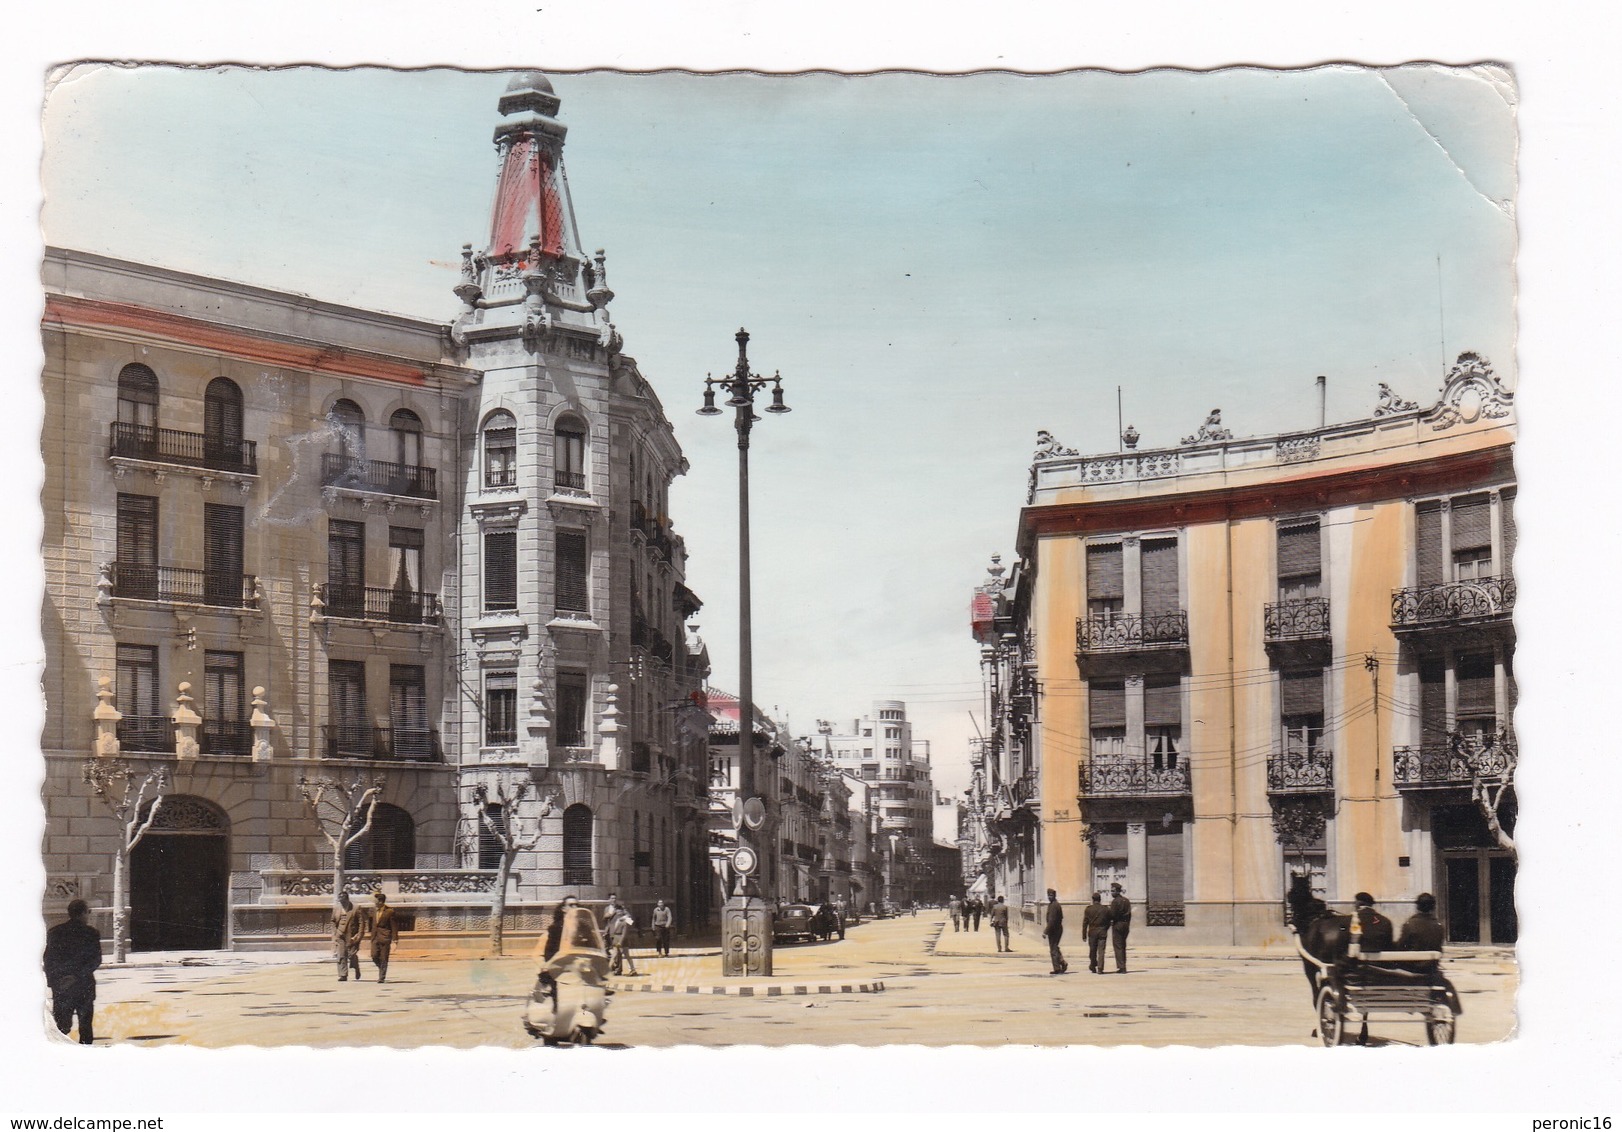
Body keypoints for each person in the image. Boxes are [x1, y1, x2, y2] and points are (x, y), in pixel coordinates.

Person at [44, 899, 101, 1045]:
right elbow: (95, 960)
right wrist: (76, 977)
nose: (88, 915)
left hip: (62, 987)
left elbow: (48, 961)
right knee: (85, 1028)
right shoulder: (91, 933)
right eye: (88, 912)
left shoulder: (54, 933)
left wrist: (55, 983)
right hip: (84, 986)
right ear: (82, 913)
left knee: (61, 1028)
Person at [333, 892, 365, 981]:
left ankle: (356, 966)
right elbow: (333, 921)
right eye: (340, 900)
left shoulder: (355, 908)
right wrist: (335, 932)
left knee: (351, 955)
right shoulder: (336, 908)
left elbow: (361, 922)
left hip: (352, 935)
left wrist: (359, 934)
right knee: (341, 954)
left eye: (343, 900)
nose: (341, 902)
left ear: (347, 899)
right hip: (340, 934)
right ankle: (343, 974)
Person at [369, 890, 399, 983]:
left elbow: (394, 926)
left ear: (381, 901)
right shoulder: (373, 910)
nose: (374, 902)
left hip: (385, 937)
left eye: (376, 901)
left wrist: (395, 939)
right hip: (375, 937)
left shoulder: (390, 911)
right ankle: (381, 967)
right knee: (374, 955)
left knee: (384, 957)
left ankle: (381, 977)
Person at [1082, 891, 1112, 973]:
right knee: (1101, 950)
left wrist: (1084, 935)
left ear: (1092, 900)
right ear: (1100, 899)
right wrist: (1105, 928)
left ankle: (1092, 965)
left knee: (1092, 950)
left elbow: (1085, 923)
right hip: (1102, 931)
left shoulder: (1088, 909)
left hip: (1092, 932)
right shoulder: (1105, 909)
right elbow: (1109, 921)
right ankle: (1100, 968)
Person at [607, 905, 639, 976]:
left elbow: (630, 924)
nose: (618, 912)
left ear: (622, 911)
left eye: (620, 910)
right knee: (614, 955)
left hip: (622, 939)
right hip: (616, 938)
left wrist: (620, 942)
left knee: (626, 955)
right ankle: (607, 970)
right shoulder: (616, 919)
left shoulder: (625, 919)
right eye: (617, 910)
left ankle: (632, 969)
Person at [1107, 882, 1132, 973]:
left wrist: (1110, 921)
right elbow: (1129, 914)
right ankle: (1123, 965)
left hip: (1118, 924)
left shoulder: (1115, 902)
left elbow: (1112, 915)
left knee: (1118, 946)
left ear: (1117, 891)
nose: (1111, 892)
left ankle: (1121, 967)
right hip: (1125, 924)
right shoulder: (1126, 901)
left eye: (1113, 891)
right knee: (1123, 945)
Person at [1043, 889, 1067, 974]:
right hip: (1056, 929)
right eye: (1048, 895)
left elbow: (1052, 920)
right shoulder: (1053, 904)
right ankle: (1062, 962)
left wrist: (1045, 931)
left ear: (1054, 896)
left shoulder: (1054, 905)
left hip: (1054, 930)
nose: (1049, 897)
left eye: (1051, 896)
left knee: (1053, 949)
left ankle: (1057, 968)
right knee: (1055, 947)